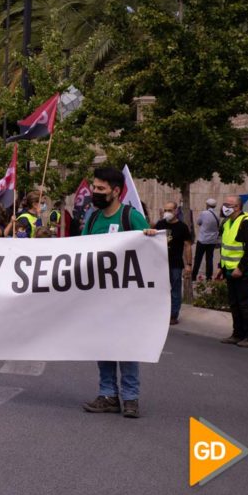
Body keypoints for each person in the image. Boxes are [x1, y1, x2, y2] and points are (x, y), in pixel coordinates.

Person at [80, 167, 156, 419]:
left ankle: (131, 398)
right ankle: (108, 395)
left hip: (127, 299)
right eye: (94, 187)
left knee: (126, 348)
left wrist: (150, 236)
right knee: (104, 347)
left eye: (101, 189)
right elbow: (79, 253)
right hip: (99, 298)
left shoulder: (130, 217)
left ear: (115, 191)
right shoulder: (92, 219)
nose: (95, 192)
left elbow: (150, 248)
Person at [214, 196, 248, 349]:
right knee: (234, 303)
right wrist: (221, 266)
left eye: (228, 204)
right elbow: (225, 247)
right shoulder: (227, 223)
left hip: (244, 271)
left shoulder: (247, 223)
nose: (224, 207)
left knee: (244, 303)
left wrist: (240, 268)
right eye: (224, 204)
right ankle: (237, 334)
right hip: (229, 268)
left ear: (238, 207)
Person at [154, 202, 192, 325]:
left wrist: (188, 265)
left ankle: (173, 315)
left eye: (170, 210)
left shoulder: (182, 227)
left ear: (176, 211)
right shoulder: (160, 224)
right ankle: (161, 313)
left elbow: (187, 246)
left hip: (175, 263)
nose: (167, 212)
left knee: (175, 290)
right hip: (160, 263)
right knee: (161, 290)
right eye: (165, 210)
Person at [192, 198, 220, 281]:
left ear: (207, 205)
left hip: (202, 240)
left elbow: (198, 222)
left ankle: (194, 276)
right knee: (209, 259)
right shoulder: (217, 214)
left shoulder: (204, 213)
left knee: (198, 258)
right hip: (212, 240)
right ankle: (209, 277)